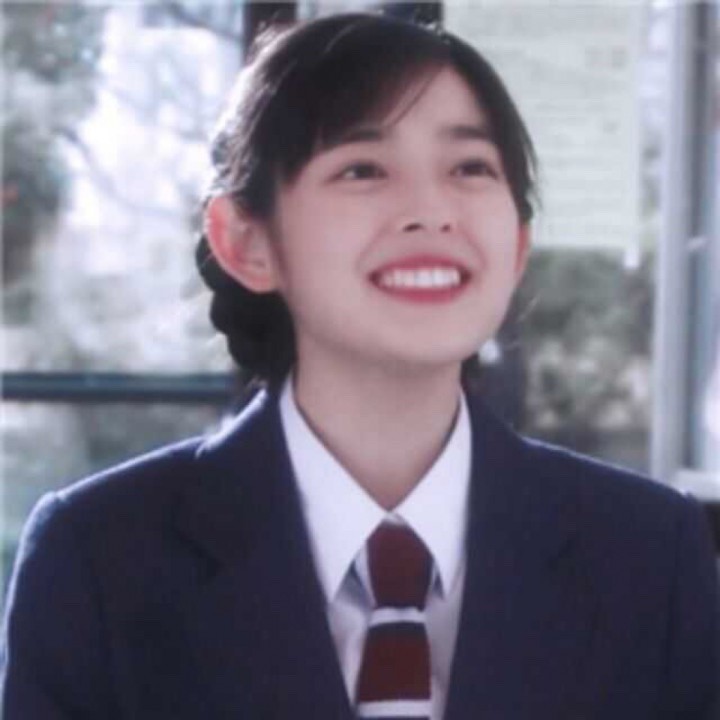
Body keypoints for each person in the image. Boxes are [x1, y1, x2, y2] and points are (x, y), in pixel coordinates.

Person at [1, 12, 717, 720]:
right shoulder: (98, 557)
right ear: (245, 242)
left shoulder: (650, 555)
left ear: (519, 243)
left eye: (470, 168)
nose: (431, 212)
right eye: (363, 169)